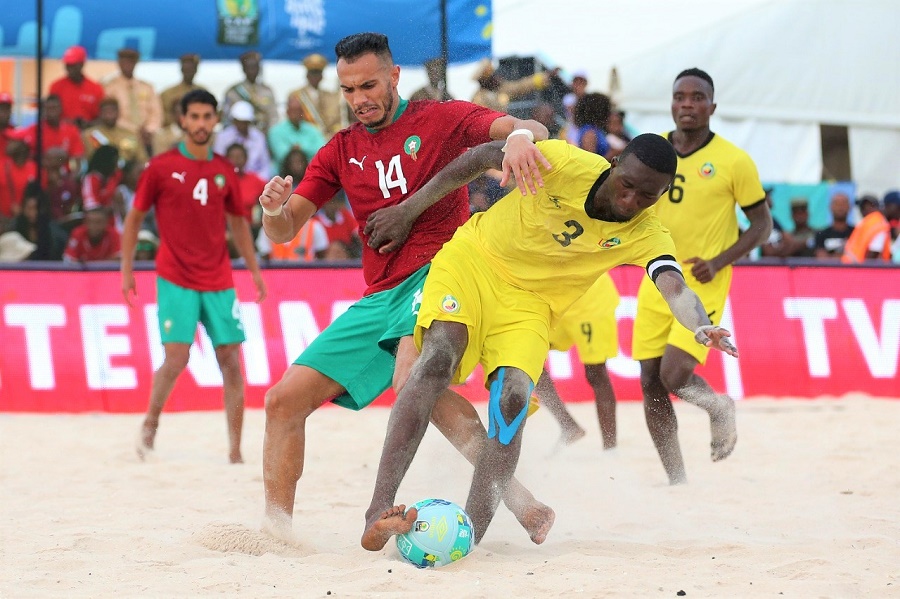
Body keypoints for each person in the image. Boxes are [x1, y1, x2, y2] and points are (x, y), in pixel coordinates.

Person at [358, 134, 740, 548]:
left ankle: (467, 535)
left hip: (531, 307)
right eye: (626, 185)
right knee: (436, 361)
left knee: (512, 401)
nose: (630, 201)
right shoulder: (563, 162)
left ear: (662, 193)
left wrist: (700, 325)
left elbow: (673, 285)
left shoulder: (649, 234)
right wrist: (410, 209)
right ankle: (377, 510)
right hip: (474, 261)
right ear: (614, 163)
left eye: (647, 195)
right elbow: (481, 156)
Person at [257, 32, 554, 544]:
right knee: (283, 401)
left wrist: (522, 137)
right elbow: (287, 229)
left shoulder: (440, 118)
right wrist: (271, 210)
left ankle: (496, 498)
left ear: (394, 77)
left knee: (411, 378)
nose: (359, 100)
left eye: (368, 85)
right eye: (348, 90)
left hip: (444, 272)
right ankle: (277, 533)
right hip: (380, 297)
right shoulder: (338, 151)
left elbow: (528, 126)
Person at [632, 68, 772, 485]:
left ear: (712, 106)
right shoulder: (655, 154)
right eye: (680, 96)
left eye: (697, 97)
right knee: (649, 383)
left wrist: (721, 259)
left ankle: (718, 407)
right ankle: (677, 480)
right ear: (672, 103)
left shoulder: (734, 161)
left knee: (673, 376)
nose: (687, 104)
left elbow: (762, 226)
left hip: (704, 282)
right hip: (656, 276)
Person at [120, 89, 266, 463]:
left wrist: (254, 271)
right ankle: (150, 425)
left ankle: (235, 452)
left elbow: (238, 224)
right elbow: (134, 218)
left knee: (231, 359)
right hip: (175, 276)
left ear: (216, 121)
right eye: (194, 117)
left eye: (207, 117)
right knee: (176, 358)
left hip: (218, 278)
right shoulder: (161, 167)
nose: (201, 124)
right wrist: (127, 271)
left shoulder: (222, 171)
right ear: (182, 121)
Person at [533, 273, 622, 448]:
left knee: (596, 373)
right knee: (530, 361)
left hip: (590, 300)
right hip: (555, 302)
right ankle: (569, 426)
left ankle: (610, 448)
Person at [103, 48, 162, 156]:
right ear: (119, 63)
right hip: (122, 133)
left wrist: (149, 130)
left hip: (148, 136)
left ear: (136, 63)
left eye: (131, 61)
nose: (127, 65)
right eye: (124, 61)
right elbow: (109, 113)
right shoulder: (109, 87)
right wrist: (134, 131)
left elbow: (156, 113)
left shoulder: (146, 87)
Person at [288, 53, 347, 139]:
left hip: (328, 140)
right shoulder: (296, 95)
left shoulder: (331, 96)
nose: (315, 77)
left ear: (322, 76)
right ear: (307, 75)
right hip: (306, 140)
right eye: (312, 73)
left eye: (318, 73)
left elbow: (337, 121)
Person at [49, 45, 105, 129]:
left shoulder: (96, 89)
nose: (69, 68)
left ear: (82, 64)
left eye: (72, 64)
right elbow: (49, 115)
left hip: (87, 134)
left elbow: (102, 118)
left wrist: (88, 124)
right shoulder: (56, 87)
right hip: (62, 134)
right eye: (67, 64)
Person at [222, 51, 278, 134]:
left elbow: (273, 116)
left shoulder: (267, 91)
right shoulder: (233, 92)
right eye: (249, 67)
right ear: (244, 69)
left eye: (255, 67)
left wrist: (270, 135)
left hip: (263, 135)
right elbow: (226, 118)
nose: (252, 70)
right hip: (239, 136)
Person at [267, 94, 326, 167]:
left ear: (303, 112)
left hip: (310, 170)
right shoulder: (275, 131)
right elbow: (282, 156)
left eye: (299, 111)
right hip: (283, 173)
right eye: (293, 111)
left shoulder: (312, 129)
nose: (297, 114)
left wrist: (300, 148)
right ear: (287, 112)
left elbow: (322, 151)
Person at [159, 54, 205, 128]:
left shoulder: (203, 92)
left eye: (192, 68)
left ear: (196, 70)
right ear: (182, 69)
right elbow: (161, 115)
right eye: (187, 68)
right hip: (173, 132)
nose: (189, 71)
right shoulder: (168, 93)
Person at [841, 194, 892, 263]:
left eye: (869, 206)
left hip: (861, 269)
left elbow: (874, 251)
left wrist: (866, 269)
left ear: (876, 207)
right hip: (854, 268)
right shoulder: (866, 223)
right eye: (862, 207)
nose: (864, 209)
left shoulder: (878, 223)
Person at [814, 191, 854, 259]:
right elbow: (821, 259)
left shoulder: (856, 232)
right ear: (830, 207)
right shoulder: (821, 234)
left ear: (849, 207)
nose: (840, 207)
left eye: (843, 204)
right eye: (837, 204)